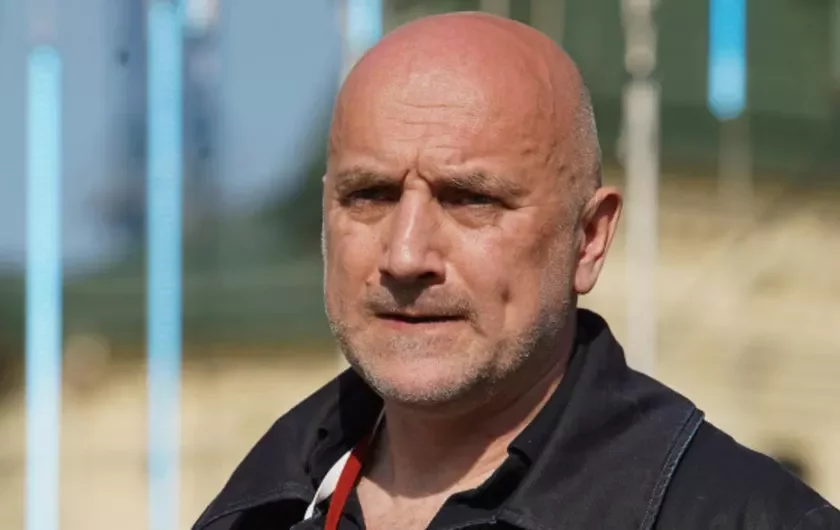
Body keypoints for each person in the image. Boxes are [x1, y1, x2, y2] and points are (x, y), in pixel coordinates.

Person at [193, 12, 840, 530]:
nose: (405, 256)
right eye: (370, 195)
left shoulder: (747, 517)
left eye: (470, 200)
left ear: (589, 239)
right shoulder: (255, 512)